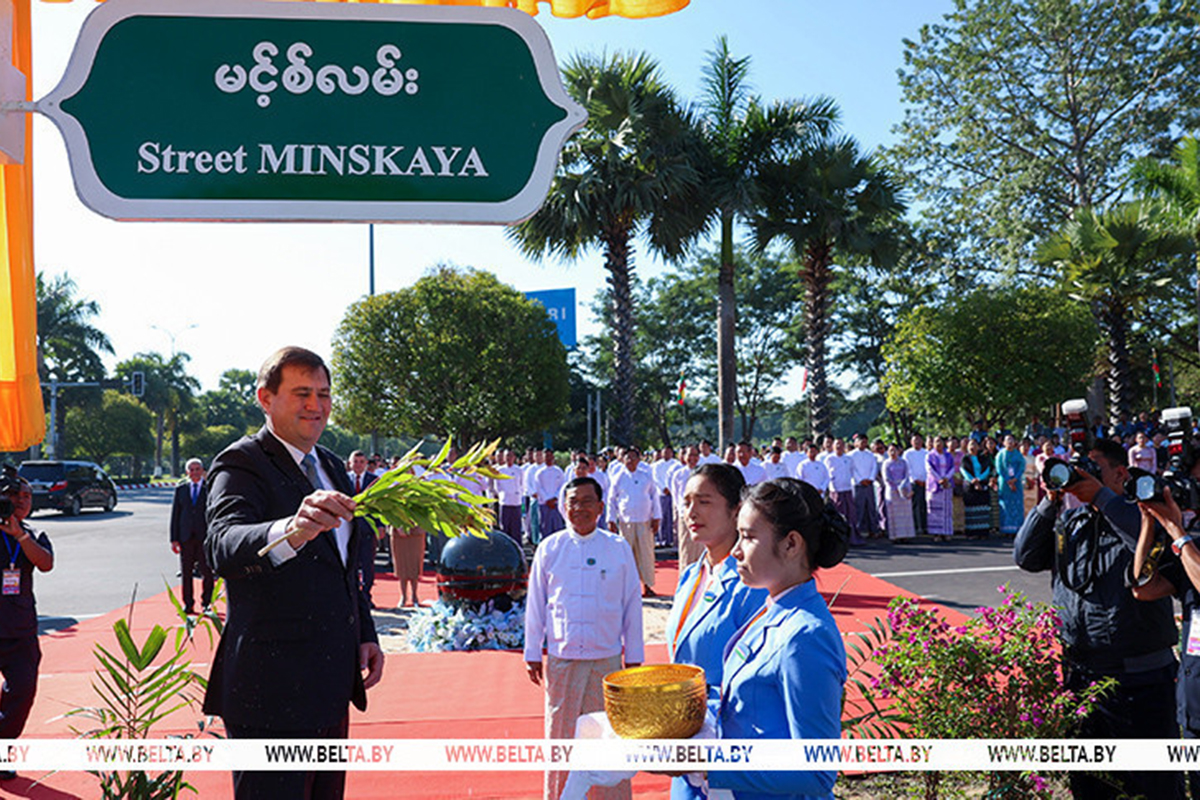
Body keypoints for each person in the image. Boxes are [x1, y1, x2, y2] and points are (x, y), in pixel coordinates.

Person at [204, 347, 384, 800]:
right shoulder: (241, 463)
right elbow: (223, 545)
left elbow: (345, 565)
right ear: (266, 398)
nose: (316, 405)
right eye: (301, 393)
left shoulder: (334, 467)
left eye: (323, 394)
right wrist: (291, 530)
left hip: (330, 683)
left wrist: (366, 632)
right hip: (271, 690)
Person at [1014, 437, 1182, 800]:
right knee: (1091, 786)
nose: (1081, 477)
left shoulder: (1145, 517)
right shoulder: (1071, 521)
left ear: (1121, 474)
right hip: (1082, 679)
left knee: (1152, 786)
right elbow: (1026, 556)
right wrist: (1051, 499)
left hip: (1140, 680)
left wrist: (1103, 498)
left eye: (1093, 469)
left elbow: (1155, 547)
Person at [702, 478, 847, 799]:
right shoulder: (771, 609)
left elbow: (816, 772)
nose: (735, 551)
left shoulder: (805, 636)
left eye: (748, 537)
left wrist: (707, 767)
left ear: (791, 544)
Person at [525, 477, 642, 800]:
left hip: (606, 659)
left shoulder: (617, 548)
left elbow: (632, 603)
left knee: (608, 737)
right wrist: (532, 651)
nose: (579, 508)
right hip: (563, 658)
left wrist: (634, 657)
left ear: (600, 508)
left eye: (586, 501)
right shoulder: (550, 547)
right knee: (561, 737)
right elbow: (536, 603)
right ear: (564, 507)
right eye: (573, 501)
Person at [667, 464, 768, 800]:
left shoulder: (752, 584)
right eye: (686, 502)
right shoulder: (691, 576)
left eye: (704, 501)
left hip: (728, 752)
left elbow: (759, 682)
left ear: (736, 509)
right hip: (688, 749)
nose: (691, 512)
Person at [0, 469, 53, 779]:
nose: (20, 501)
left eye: (27, 497)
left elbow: (45, 563)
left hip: (20, 630)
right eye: (13, 495)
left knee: (23, 691)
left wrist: (19, 534)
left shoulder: (33, 534)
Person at [607, 446, 661, 597]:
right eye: (627, 457)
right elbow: (611, 500)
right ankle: (625, 588)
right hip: (626, 521)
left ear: (639, 460)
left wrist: (656, 517)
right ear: (622, 459)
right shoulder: (618, 476)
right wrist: (611, 520)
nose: (630, 460)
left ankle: (648, 585)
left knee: (646, 554)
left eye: (633, 457)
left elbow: (655, 498)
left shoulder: (646, 476)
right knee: (626, 554)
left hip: (644, 521)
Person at [170, 457, 214, 614]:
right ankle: (188, 604)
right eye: (192, 470)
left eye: (198, 469)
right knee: (186, 573)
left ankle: (206, 603)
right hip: (185, 537)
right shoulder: (181, 489)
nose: (195, 472)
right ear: (187, 472)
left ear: (202, 471)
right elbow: (175, 515)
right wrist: (174, 539)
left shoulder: (210, 490)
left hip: (205, 537)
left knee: (207, 572)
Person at [346, 450, 379, 607]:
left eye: (361, 462)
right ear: (350, 463)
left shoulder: (374, 480)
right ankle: (354, 595)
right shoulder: (343, 480)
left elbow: (380, 505)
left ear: (366, 464)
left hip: (367, 529)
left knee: (368, 564)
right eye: (355, 462)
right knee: (351, 563)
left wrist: (379, 526)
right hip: (348, 529)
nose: (358, 465)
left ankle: (366, 596)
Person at [849, 435, 881, 538]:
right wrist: (860, 480)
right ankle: (858, 530)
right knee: (859, 508)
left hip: (869, 484)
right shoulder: (851, 455)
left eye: (865, 442)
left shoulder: (870, 454)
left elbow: (874, 467)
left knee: (871, 507)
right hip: (858, 484)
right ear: (856, 443)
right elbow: (852, 469)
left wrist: (870, 479)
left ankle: (873, 529)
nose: (863, 444)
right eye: (861, 442)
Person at [882, 444, 915, 542]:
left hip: (904, 489)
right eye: (890, 450)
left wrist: (903, 486)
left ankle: (905, 535)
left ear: (898, 451)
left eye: (894, 450)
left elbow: (907, 475)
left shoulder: (904, 462)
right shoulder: (886, 463)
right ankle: (895, 536)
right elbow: (886, 478)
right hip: (892, 490)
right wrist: (896, 487)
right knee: (894, 514)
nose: (892, 453)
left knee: (905, 514)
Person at [993, 435, 1025, 537]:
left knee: (1017, 504)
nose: (1010, 442)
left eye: (1012, 440)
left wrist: (1016, 478)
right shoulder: (1000, 454)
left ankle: (1017, 528)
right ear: (1003, 442)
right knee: (1005, 505)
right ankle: (1005, 529)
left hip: (1017, 482)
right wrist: (1008, 480)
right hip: (1004, 483)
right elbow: (999, 468)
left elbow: (1022, 466)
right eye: (1008, 440)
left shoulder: (1018, 454)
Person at [925, 436, 955, 542]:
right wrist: (939, 479)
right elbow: (930, 469)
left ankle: (946, 532)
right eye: (936, 441)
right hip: (934, 486)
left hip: (947, 485)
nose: (938, 444)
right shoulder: (930, 456)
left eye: (940, 441)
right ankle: (936, 533)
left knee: (947, 510)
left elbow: (953, 468)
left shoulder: (948, 455)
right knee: (934, 510)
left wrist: (946, 478)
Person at [903, 434, 929, 537]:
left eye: (919, 440)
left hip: (926, 483)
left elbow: (928, 468)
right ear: (911, 442)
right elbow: (907, 469)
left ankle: (925, 526)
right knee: (916, 505)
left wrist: (926, 480)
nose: (917, 442)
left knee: (925, 505)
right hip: (914, 483)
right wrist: (915, 479)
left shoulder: (926, 453)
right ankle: (917, 526)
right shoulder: (907, 454)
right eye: (915, 440)